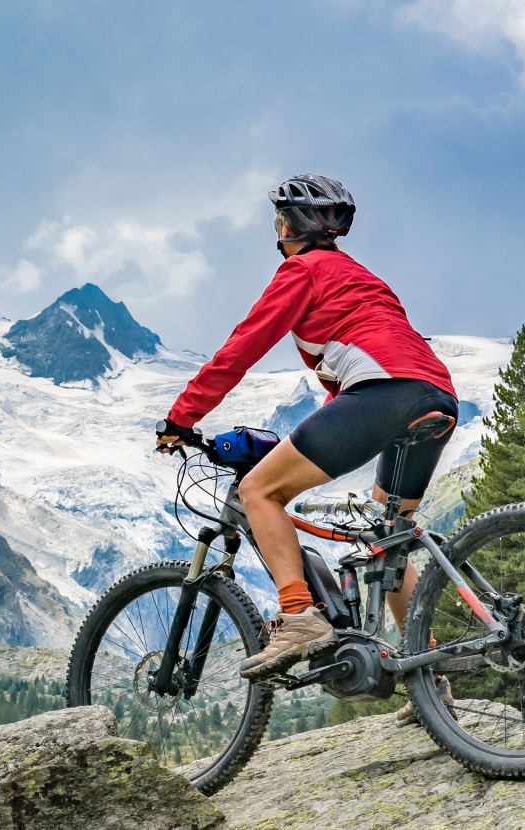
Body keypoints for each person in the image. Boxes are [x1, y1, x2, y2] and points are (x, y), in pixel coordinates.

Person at [153, 174, 459, 709]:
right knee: (386, 538)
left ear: (287, 226)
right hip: (435, 397)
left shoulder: (302, 270)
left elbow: (242, 348)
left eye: (278, 217)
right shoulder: (360, 276)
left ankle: (298, 615)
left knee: (259, 490)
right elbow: (357, 371)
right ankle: (429, 681)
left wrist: (182, 418)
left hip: (383, 391)